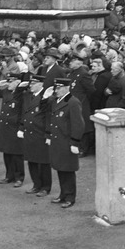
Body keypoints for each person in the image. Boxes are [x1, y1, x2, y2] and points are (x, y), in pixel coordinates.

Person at [46, 76, 83, 207]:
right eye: (56, 87)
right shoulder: (56, 101)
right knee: (60, 168)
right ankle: (63, 194)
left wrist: (75, 141)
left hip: (67, 140)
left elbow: (78, 124)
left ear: (67, 88)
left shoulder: (73, 102)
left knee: (68, 170)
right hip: (58, 140)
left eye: (59, 87)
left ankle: (70, 197)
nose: (57, 90)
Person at [19, 75, 52, 197]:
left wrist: (48, 133)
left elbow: (48, 117)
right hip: (29, 132)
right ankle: (36, 184)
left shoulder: (46, 97)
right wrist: (22, 127)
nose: (31, 86)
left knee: (43, 162)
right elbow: (24, 112)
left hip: (40, 133)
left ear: (41, 84)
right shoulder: (28, 96)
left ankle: (45, 187)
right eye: (31, 83)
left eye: (33, 84)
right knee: (32, 160)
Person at [0, 72, 26, 187]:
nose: (9, 84)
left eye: (11, 81)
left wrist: (22, 127)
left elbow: (23, 112)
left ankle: (19, 177)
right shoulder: (6, 91)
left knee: (17, 154)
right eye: (8, 81)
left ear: (17, 82)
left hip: (15, 127)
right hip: (5, 127)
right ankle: (9, 175)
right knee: (6, 153)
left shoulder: (22, 94)